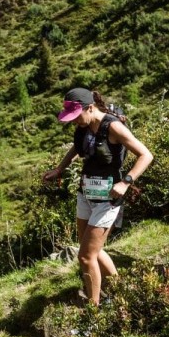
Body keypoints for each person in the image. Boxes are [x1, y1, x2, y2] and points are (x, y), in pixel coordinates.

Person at [43, 88, 153, 307]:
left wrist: (126, 182)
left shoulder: (113, 127)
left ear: (90, 108)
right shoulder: (84, 127)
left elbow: (146, 155)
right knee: (92, 248)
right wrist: (60, 169)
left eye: (76, 117)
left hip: (108, 199)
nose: (75, 123)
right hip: (86, 193)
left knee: (85, 256)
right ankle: (120, 288)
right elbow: (76, 148)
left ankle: (93, 310)